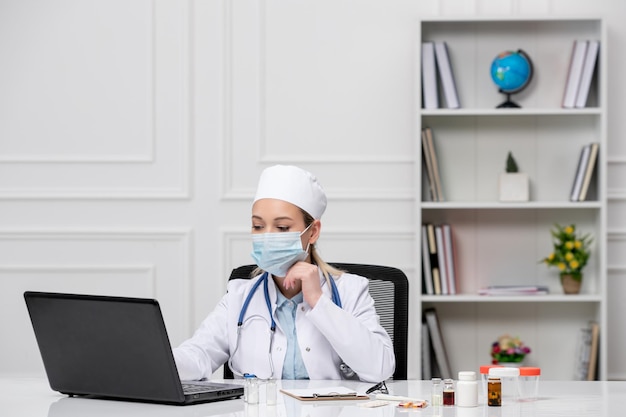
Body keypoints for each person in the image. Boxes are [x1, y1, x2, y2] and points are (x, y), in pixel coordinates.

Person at [173, 165, 395, 383]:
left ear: (313, 232)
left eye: (282, 228)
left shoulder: (350, 291)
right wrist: (151, 361)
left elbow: (381, 369)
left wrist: (319, 303)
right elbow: (197, 355)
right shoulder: (238, 298)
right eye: (258, 226)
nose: (267, 236)